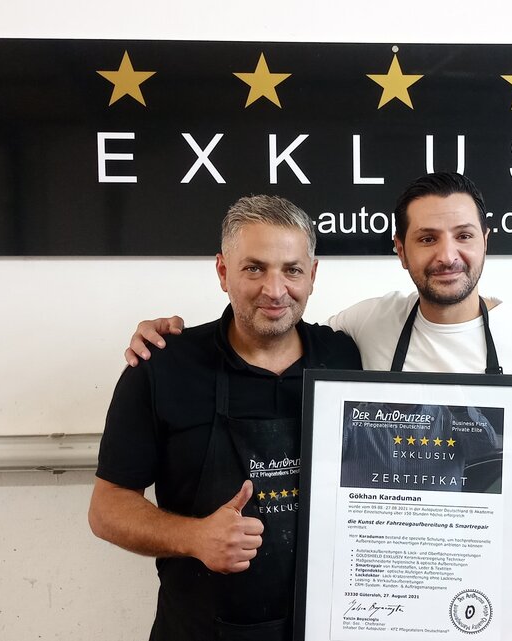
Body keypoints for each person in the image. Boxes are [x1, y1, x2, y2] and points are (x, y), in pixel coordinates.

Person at [127, 173, 512, 641]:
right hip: (384, 610)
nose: (448, 255)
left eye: (464, 235)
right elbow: (274, 324)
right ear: (400, 250)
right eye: (427, 238)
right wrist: (168, 340)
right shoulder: (365, 327)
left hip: (494, 614)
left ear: (486, 240)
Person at [89, 195, 362, 641]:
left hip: (326, 628)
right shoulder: (163, 367)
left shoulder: (346, 358)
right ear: (222, 271)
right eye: (254, 268)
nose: (275, 290)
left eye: (292, 270)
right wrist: (195, 537)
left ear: (312, 275)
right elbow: (106, 509)